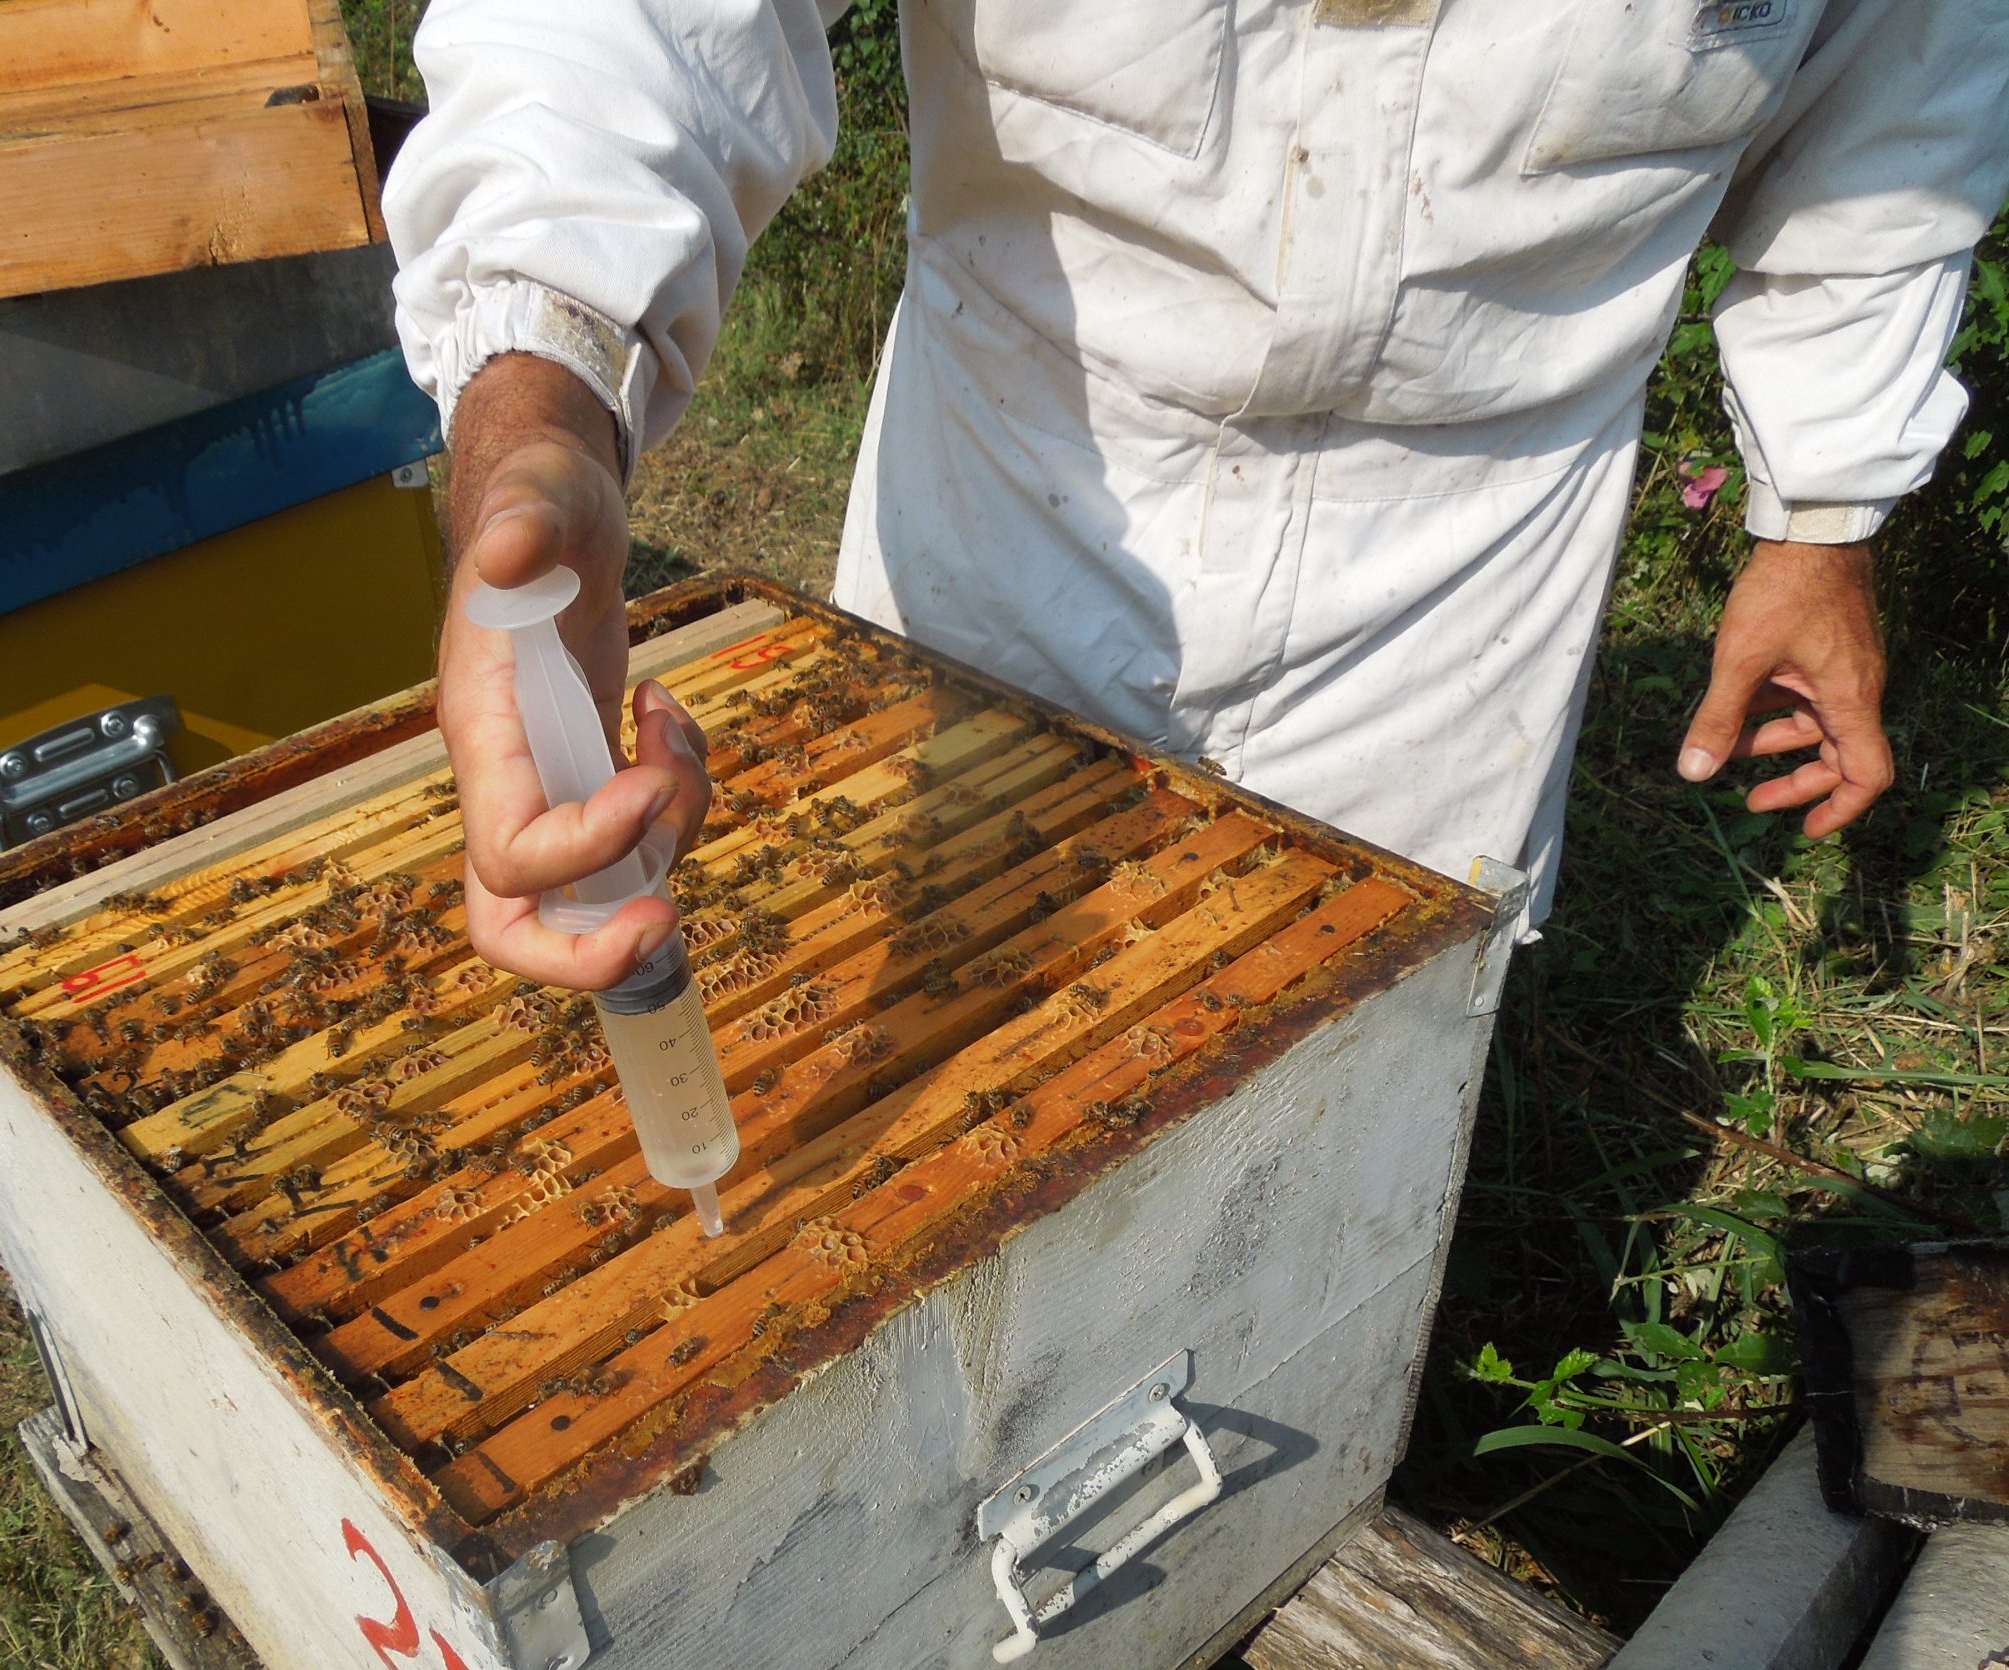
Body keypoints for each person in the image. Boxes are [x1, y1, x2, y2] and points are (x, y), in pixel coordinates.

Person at [384, 0, 2009, 990]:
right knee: (931, 1023)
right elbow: (620, 30)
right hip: (1023, 475)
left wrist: (1826, 509)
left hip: (1464, 583)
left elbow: (1900, 104)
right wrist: (544, 403)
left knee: (1327, 1109)